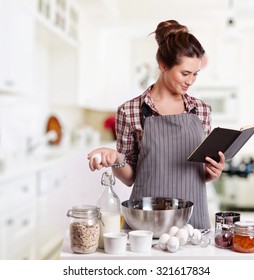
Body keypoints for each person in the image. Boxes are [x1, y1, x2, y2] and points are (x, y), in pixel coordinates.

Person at [88, 20, 225, 229]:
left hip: (192, 224)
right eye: (185, 73)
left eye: (195, 74)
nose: (191, 81)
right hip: (145, 223)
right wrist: (116, 159)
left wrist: (211, 172)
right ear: (163, 64)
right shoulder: (130, 110)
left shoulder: (202, 111)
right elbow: (130, 178)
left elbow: (199, 172)